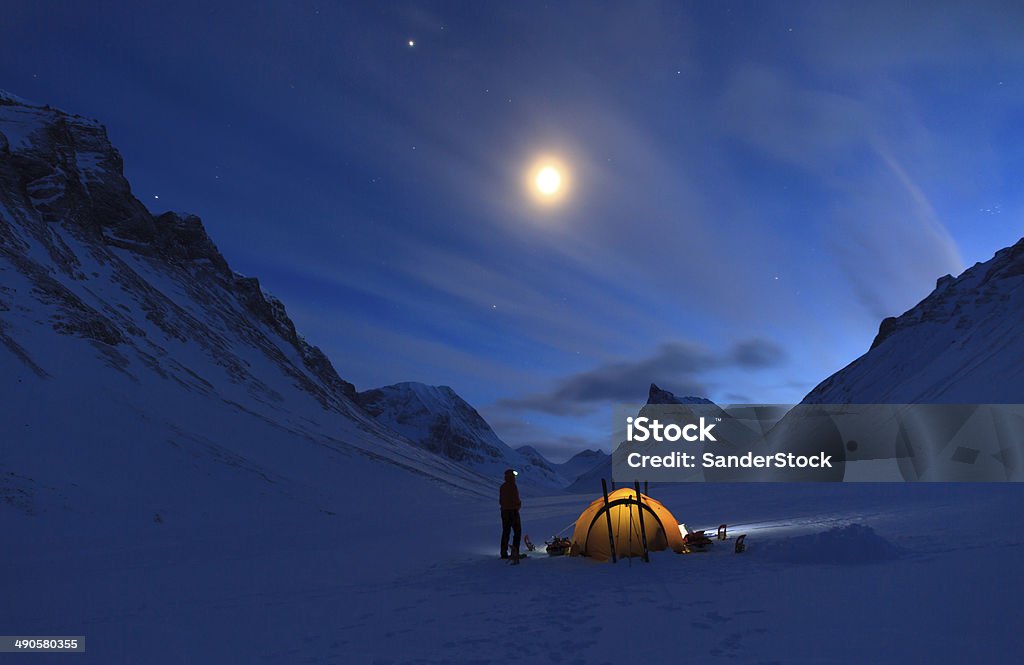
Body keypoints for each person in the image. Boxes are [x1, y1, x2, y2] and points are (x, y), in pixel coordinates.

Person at [499, 468, 522, 562]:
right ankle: (515, 552)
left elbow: (501, 500)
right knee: (517, 532)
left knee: (506, 532)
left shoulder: (503, 486)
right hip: (513, 512)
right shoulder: (513, 486)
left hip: (504, 512)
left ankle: (503, 553)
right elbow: (515, 499)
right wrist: (518, 505)